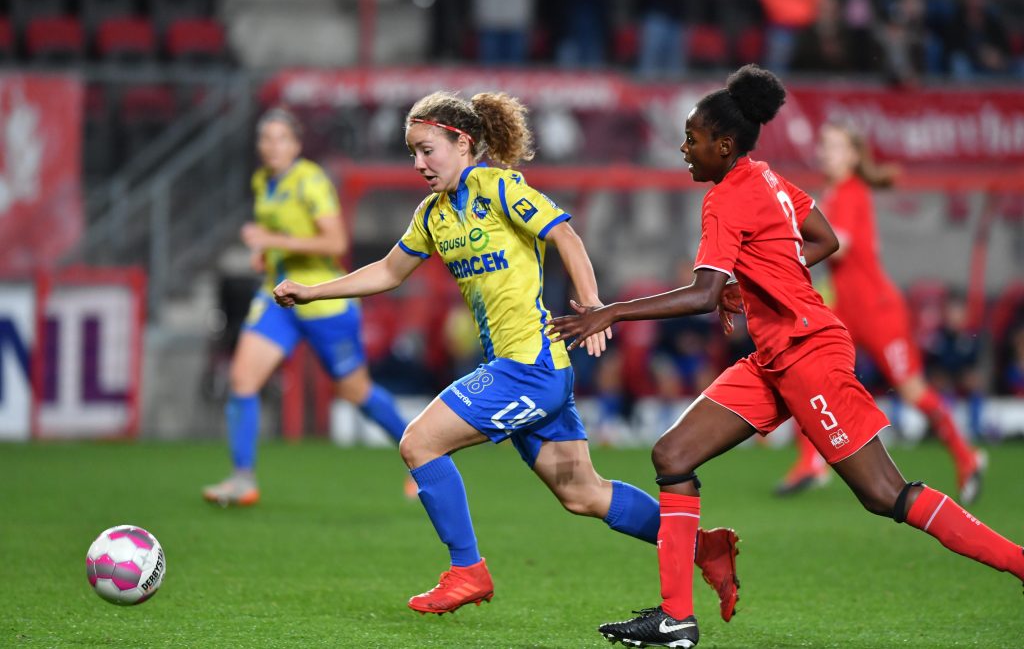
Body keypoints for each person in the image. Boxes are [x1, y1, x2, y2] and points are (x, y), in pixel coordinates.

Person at [548, 65, 1024, 648]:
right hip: (774, 357)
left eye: (693, 139)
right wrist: (753, 288)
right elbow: (824, 240)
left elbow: (702, 293)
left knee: (885, 495)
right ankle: (676, 617)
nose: (684, 148)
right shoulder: (768, 178)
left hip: (808, 356)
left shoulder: (725, 199)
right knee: (672, 454)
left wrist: (612, 312)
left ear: (725, 146)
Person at [272, 91, 741, 618]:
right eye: (413, 153)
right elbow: (387, 271)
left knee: (419, 444)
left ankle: (467, 570)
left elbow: (565, 235)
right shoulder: (432, 214)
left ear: (462, 142)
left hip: (530, 367)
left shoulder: (497, 187)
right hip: (523, 369)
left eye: (428, 150)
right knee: (583, 494)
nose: (419, 164)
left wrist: (592, 306)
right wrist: (313, 292)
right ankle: (704, 547)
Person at [201, 107, 412, 507]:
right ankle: (243, 479)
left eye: (281, 139)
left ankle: (425, 460)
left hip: (322, 301)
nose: (272, 146)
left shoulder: (310, 182)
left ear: (296, 145)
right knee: (243, 380)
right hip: (278, 298)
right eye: (266, 139)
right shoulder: (264, 180)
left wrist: (273, 240)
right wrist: (266, 254)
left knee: (356, 391)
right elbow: (279, 236)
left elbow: (335, 244)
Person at [775, 122, 985, 502]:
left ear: (854, 157)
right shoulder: (836, 194)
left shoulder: (851, 194)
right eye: (823, 146)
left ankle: (967, 456)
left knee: (912, 392)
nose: (825, 153)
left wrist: (783, 241)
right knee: (810, 375)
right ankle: (811, 464)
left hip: (879, 313)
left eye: (834, 147)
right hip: (847, 312)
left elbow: (839, 245)